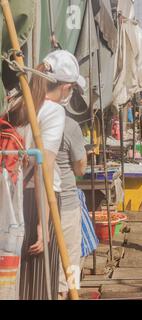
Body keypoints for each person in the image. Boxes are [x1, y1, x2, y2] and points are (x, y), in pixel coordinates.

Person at [8, 50, 86, 300]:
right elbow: (45, 165)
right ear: (65, 87)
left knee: (19, 276)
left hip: (14, 196)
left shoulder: (18, 104)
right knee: (42, 279)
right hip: (42, 199)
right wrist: (43, 223)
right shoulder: (54, 112)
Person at [56, 116, 88, 300]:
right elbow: (80, 169)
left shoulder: (19, 116)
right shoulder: (67, 124)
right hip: (65, 203)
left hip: (26, 204)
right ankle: (70, 292)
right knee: (71, 258)